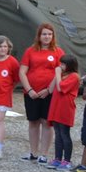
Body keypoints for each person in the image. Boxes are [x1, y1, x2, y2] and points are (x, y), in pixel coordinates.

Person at [19, 24, 66, 163]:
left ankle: (43, 154)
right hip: (32, 92)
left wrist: (49, 90)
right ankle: (33, 152)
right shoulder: (30, 51)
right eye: (44, 34)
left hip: (49, 93)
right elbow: (22, 71)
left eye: (49, 34)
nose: (47, 37)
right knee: (33, 121)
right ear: (39, 36)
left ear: (53, 36)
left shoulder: (58, 52)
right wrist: (29, 90)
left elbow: (61, 72)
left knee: (46, 122)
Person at [47, 54, 81, 171]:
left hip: (65, 108)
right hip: (56, 107)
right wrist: (57, 75)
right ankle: (57, 158)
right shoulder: (61, 75)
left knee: (64, 134)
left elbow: (61, 88)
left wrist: (57, 74)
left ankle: (67, 160)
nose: (60, 66)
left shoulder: (74, 76)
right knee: (57, 133)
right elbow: (51, 89)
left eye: (63, 64)